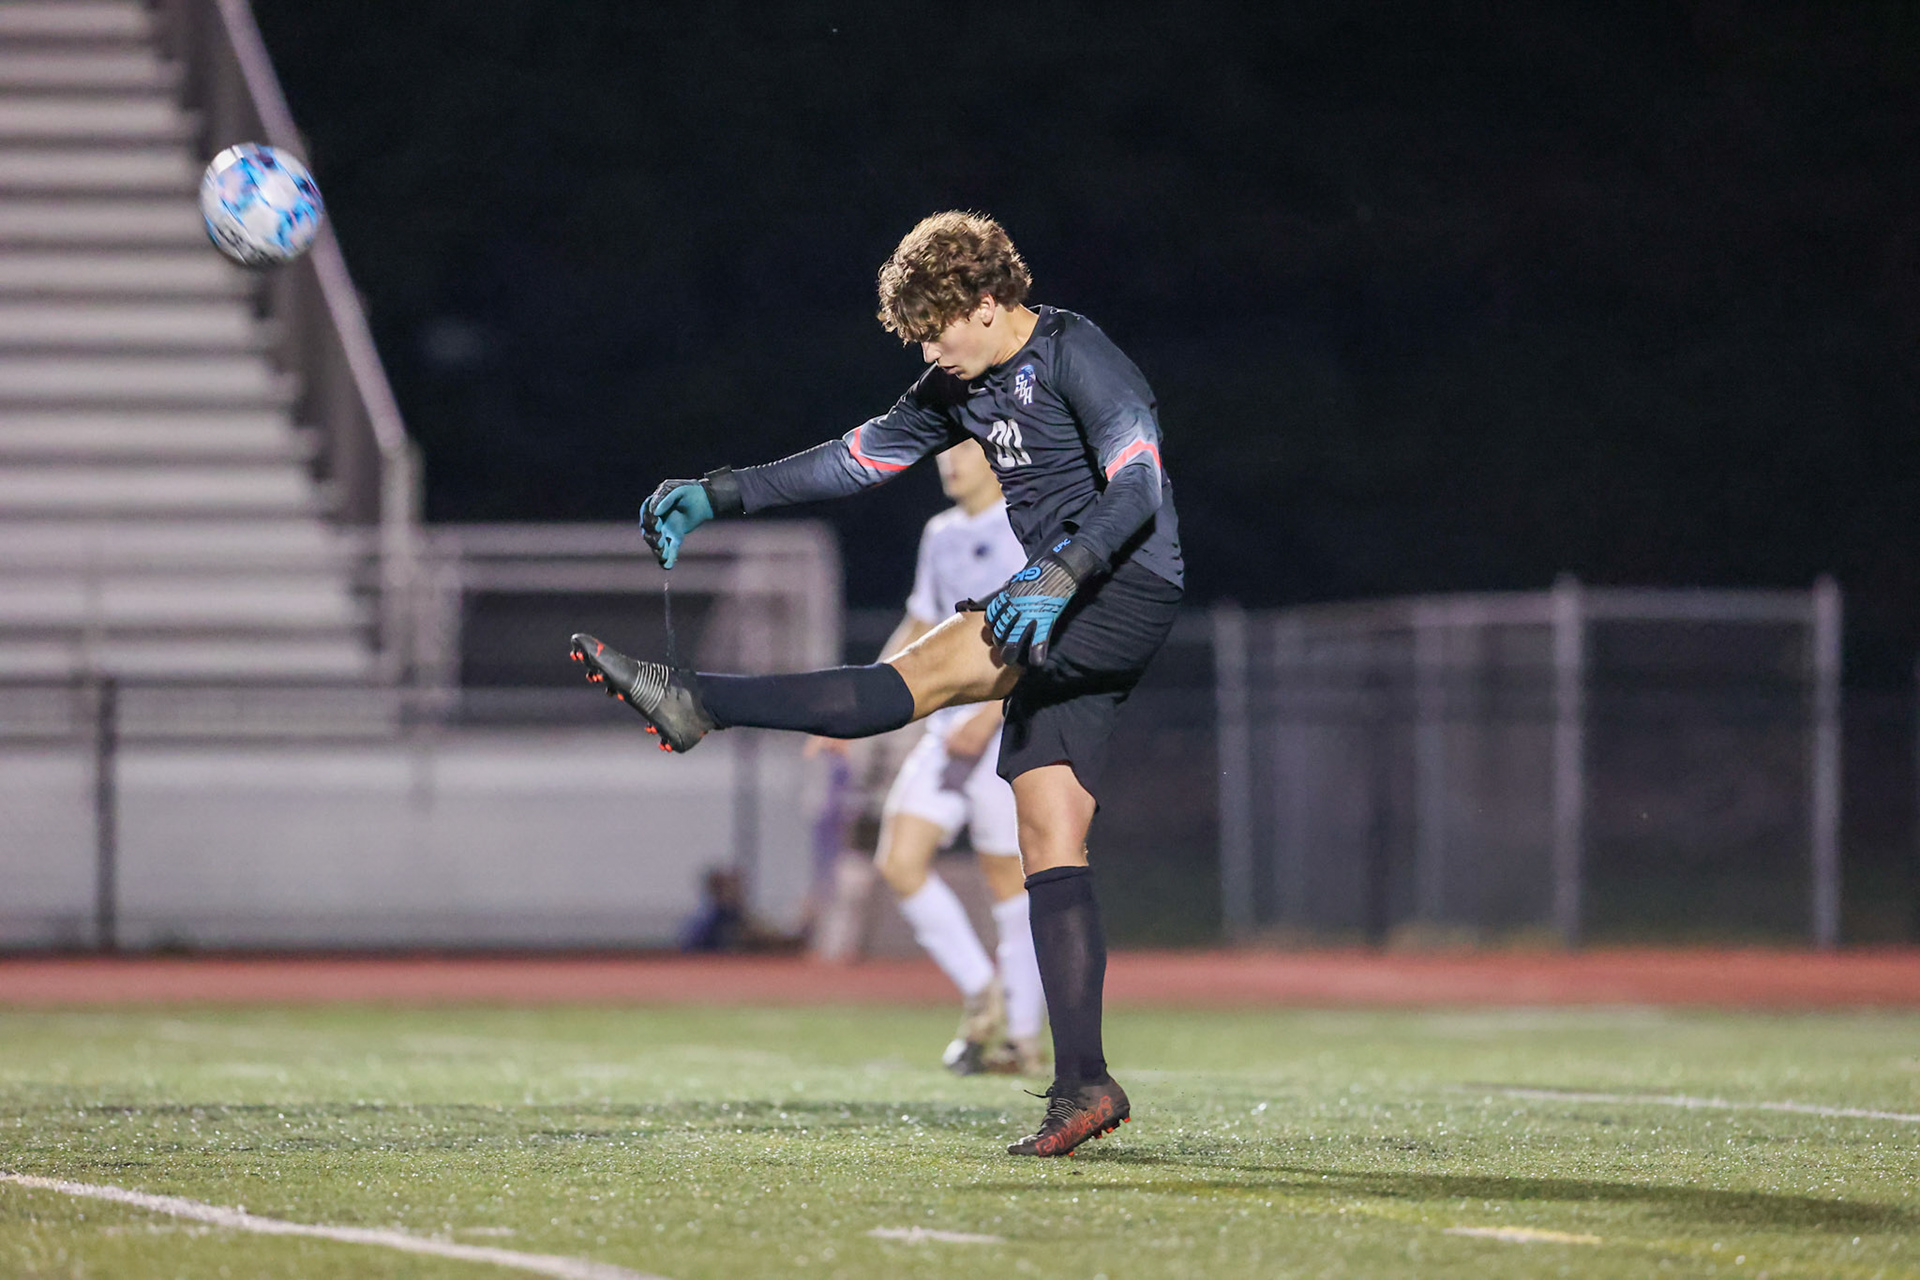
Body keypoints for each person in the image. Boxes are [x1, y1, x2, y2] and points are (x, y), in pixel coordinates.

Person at [570, 210, 1183, 1157]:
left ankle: (700, 702)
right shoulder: (958, 382)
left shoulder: (1077, 352)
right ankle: (1084, 1085)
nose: (929, 349)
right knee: (1048, 837)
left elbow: (1138, 485)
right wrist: (719, 493)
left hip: (1115, 583)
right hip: (1066, 595)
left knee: (912, 679)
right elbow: (853, 460)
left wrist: (1061, 576)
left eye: (938, 328)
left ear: (987, 303)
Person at [813, 439, 1046, 1077]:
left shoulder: (1024, 524)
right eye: (944, 449)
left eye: (962, 448)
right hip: (946, 731)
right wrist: (857, 705)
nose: (949, 459)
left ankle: (1023, 1039)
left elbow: (1041, 627)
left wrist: (990, 712)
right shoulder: (940, 532)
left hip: (1002, 727)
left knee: (1009, 883)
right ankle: (982, 991)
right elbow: (919, 626)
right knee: (900, 861)